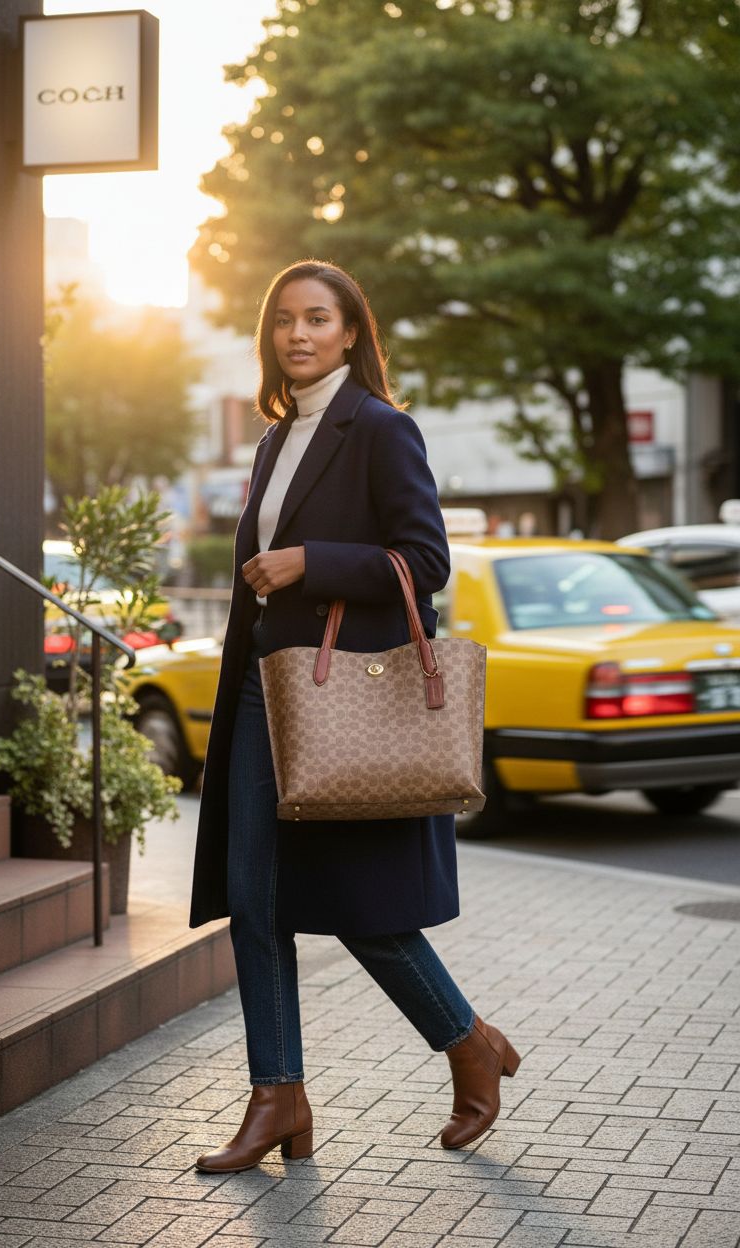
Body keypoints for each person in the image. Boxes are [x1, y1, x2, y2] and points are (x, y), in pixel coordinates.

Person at [189, 259, 520, 1174]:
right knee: (253, 903)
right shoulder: (271, 440)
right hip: (265, 690)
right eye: (284, 320)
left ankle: (469, 1044)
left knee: (364, 911)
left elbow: (425, 559)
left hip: (342, 701)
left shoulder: (380, 429)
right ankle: (277, 1094)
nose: (297, 334)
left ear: (349, 332)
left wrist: (309, 562)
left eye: (318, 319)